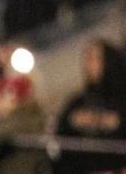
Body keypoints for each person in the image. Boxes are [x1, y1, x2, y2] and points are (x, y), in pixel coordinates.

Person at [54, 39, 126, 173]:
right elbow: (62, 142)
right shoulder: (76, 103)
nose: (89, 63)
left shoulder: (121, 99)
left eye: (95, 58)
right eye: (87, 57)